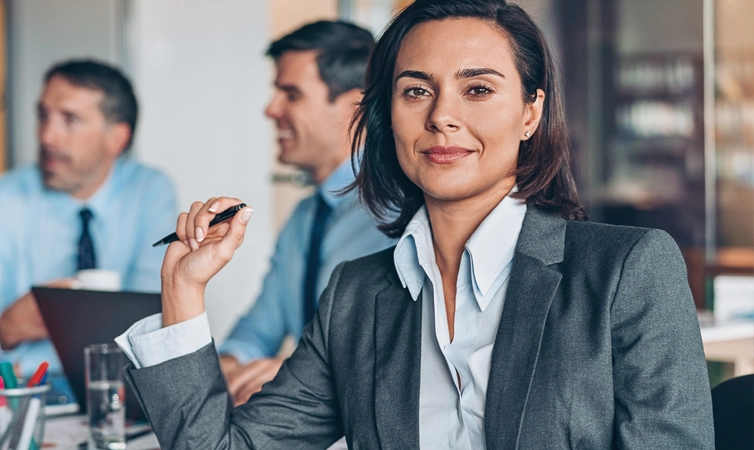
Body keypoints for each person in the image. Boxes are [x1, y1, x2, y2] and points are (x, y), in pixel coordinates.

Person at [114, 0, 715, 448]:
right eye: (415, 91)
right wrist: (184, 292)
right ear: (387, 117)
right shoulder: (357, 294)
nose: (442, 118)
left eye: (477, 89)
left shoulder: (626, 270)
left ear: (531, 112)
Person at [0, 60, 177, 394]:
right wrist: (8, 327)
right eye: (43, 116)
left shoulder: (150, 192)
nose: (47, 136)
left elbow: (158, 326)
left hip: (124, 393)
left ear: (116, 138)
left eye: (70, 120)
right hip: (28, 394)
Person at [218, 21, 395, 405]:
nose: (271, 109)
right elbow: (258, 329)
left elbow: (396, 352)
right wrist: (229, 366)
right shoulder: (303, 218)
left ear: (355, 106)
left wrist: (295, 373)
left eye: (291, 94)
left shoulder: (400, 211)